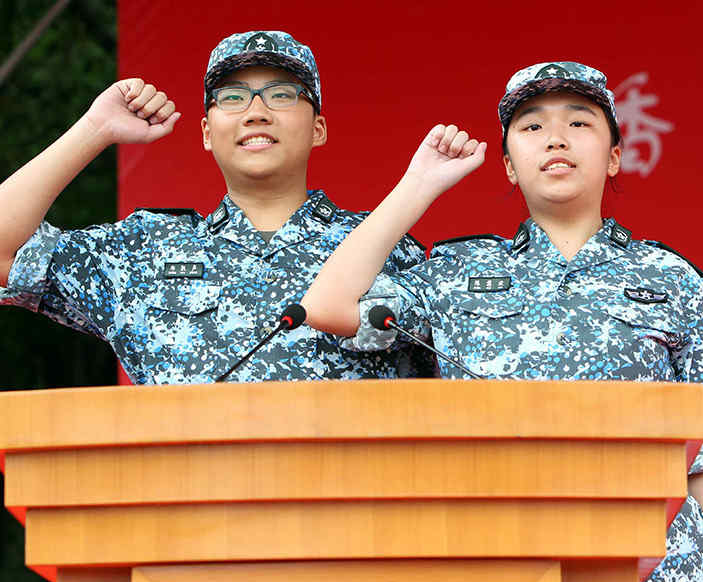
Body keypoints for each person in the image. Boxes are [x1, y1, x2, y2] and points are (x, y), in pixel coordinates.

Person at [300, 61, 703, 582]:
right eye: (531, 127)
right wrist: (420, 184)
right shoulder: (458, 272)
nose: (555, 137)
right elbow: (327, 305)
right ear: (508, 165)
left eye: (579, 123)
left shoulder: (672, 280)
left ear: (614, 156)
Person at [0, 30, 433, 384]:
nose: (256, 112)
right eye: (232, 97)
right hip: (189, 489)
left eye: (282, 95)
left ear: (317, 129)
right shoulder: (142, 251)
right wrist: (94, 129)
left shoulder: (388, 248)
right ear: (207, 132)